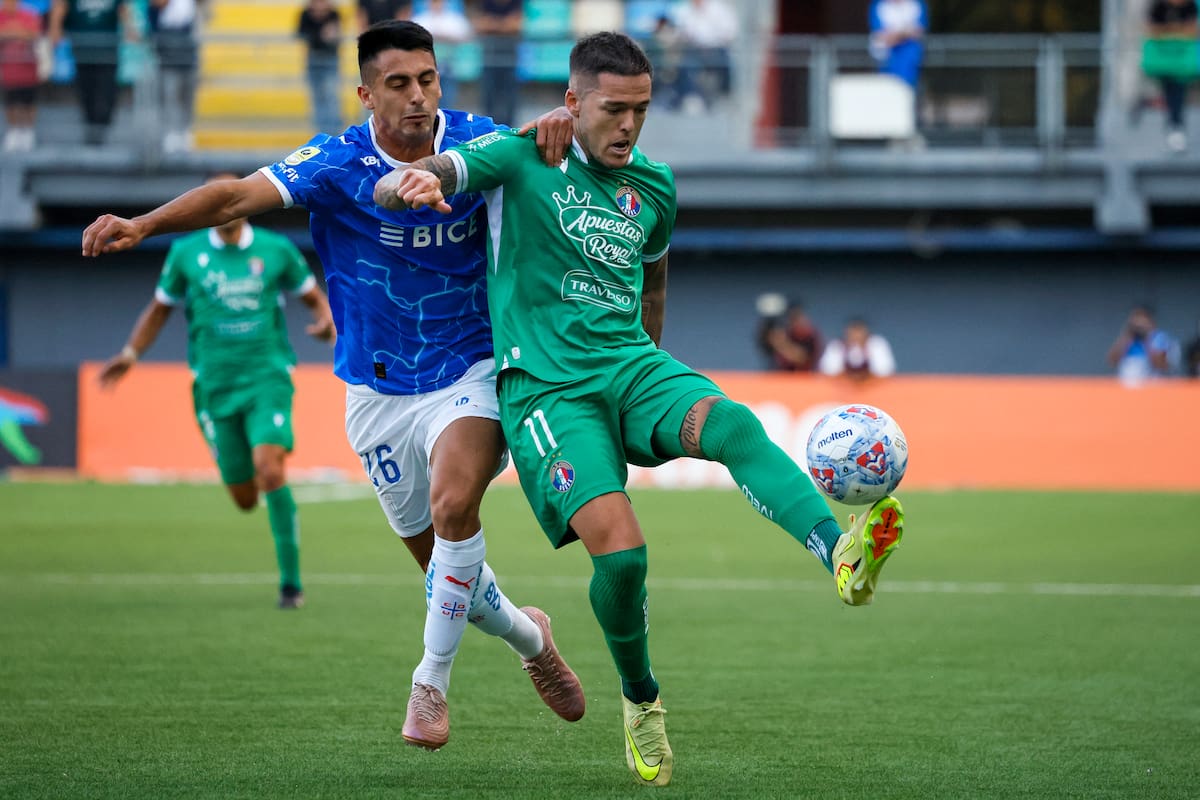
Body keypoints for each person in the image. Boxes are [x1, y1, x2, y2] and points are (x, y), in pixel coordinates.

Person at [374, 30, 906, 786]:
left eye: (641, 111)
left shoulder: (654, 187)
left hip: (631, 368)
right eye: (614, 110)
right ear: (573, 102)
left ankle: (840, 553)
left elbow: (654, 288)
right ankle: (641, 701)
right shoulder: (519, 154)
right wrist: (411, 186)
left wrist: (648, 383)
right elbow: (409, 178)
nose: (628, 126)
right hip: (546, 391)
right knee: (623, 557)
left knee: (732, 424)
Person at [81, 20, 584, 752]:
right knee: (453, 578)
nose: (418, 97)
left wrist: (562, 123)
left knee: (454, 507)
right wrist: (143, 224)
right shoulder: (334, 161)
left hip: (471, 366)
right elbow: (230, 198)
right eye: (398, 84)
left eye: (428, 79)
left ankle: (429, 684)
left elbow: (564, 147)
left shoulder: (481, 144)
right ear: (365, 94)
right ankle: (528, 635)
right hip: (375, 390)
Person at [96, 171, 336, 609]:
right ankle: (257, 499)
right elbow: (159, 309)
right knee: (245, 497)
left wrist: (326, 322)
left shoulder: (276, 250)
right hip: (213, 384)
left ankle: (291, 584)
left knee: (270, 470)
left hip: (267, 376)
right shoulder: (186, 253)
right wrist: (131, 353)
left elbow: (312, 297)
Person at [46, 0, 133, 145]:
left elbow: (123, 10)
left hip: (107, 53)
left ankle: (101, 129)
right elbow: (60, 8)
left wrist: (130, 30)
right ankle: (92, 130)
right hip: (82, 53)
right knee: (87, 94)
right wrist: (55, 29)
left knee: (107, 94)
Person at [1146, 0, 1198, 153]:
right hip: (1164, 59)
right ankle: (1175, 125)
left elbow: (1193, 30)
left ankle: (1175, 125)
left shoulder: (1190, 6)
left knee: (1177, 90)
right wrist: (1177, 31)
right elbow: (1151, 29)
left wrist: (1168, 31)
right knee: (1172, 90)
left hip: (1181, 60)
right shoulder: (1159, 6)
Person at [148, 0, 199, 153]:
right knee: (169, 94)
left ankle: (186, 131)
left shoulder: (189, 7)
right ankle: (170, 133)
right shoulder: (157, 12)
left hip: (187, 53)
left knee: (187, 95)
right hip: (167, 54)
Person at [673, 0, 738, 113]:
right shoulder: (683, 9)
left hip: (716, 48)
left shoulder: (719, 8)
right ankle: (691, 98)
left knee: (724, 63)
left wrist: (712, 39)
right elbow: (679, 33)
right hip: (693, 49)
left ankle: (724, 96)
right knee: (685, 63)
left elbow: (730, 32)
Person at [411, 0, 471, 108]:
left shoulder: (454, 19)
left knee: (447, 95)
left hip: (450, 65)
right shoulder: (421, 18)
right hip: (424, 67)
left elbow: (465, 35)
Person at [0, 0, 42, 152]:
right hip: (7, 70)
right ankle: (13, 132)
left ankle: (28, 133)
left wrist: (9, 32)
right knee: (10, 102)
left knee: (28, 102)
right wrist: (18, 31)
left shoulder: (29, 14)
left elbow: (34, 34)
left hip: (28, 68)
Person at [298, 0, 344, 135]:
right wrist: (321, 35)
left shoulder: (334, 14)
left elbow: (335, 37)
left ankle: (335, 133)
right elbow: (301, 34)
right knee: (318, 97)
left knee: (331, 96)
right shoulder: (305, 14)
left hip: (330, 60)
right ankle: (321, 132)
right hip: (313, 60)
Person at [473, 0, 522, 125]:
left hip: (510, 59)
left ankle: (510, 131)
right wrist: (504, 24)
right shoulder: (485, 3)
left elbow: (516, 25)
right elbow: (480, 25)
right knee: (488, 97)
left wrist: (492, 23)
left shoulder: (517, 2)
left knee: (510, 99)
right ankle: (488, 129)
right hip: (489, 57)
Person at [1107, 304, 1178, 384]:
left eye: (1142, 319)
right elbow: (1112, 360)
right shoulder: (1127, 337)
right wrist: (1128, 335)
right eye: (1135, 318)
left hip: (1151, 385)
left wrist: (1146, 337)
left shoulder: (1159, 337)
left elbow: (1161, 364)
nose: (1138, 323)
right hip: (1127, 386)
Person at [869, 0, 927, 92]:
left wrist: (894, 36)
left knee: (907, 89)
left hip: (909, 58)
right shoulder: (879, 5)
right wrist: (905, 34)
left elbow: (919, 31)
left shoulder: (916, 4)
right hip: (887, 57)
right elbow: (880, 35)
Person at [757, 297, 822, 372]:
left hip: (807, 378)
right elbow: (765, 348)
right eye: (791, 318)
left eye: (797, 317)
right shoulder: (787, 332)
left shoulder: (810, 335)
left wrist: (780, 343)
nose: (796, 321)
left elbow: (802, 358)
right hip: (782, 377)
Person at [818, 317, 896, 380]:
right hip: (842, 390)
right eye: (853, 332)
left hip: (872, 389)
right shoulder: (837, 345)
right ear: (846, 332)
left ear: (866, 332)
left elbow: (885, 370)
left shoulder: (876, 344)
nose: (856, 336)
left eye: (859, 331)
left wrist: (863, 375)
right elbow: (827, 370)